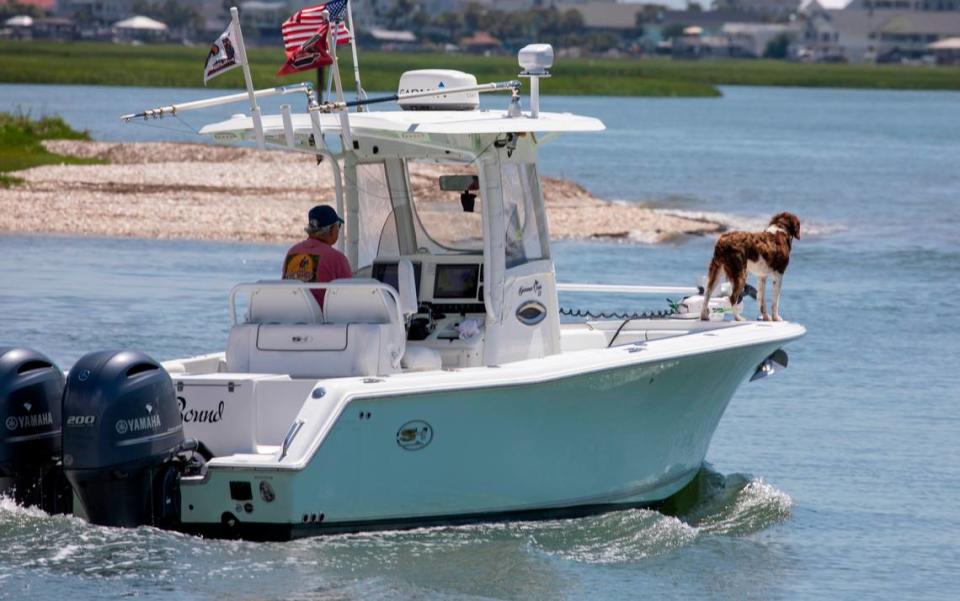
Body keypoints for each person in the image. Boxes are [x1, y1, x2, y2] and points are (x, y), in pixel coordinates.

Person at [282, 205, 351, 306]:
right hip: (324, 319)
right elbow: (350, 296)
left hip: (292, 314)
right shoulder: (336, 258)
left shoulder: (292, 252)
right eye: (338, 226)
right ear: (332, 229)